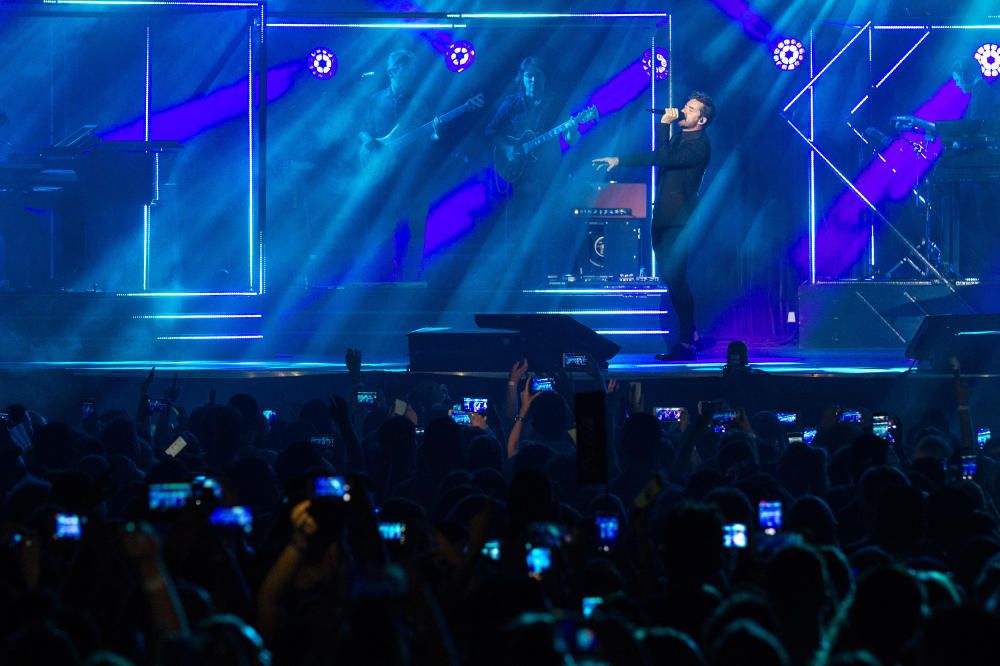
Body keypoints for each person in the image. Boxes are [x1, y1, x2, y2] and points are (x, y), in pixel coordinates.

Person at [593, 92, 715, 360]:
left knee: (677, 280)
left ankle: (685, 343)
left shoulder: (699, 146)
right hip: (663, 217)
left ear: (701, 119)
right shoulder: (681, 139)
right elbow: (658, 155)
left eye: (690, 108)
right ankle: (691, 334)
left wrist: (663, 125)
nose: (683, 109)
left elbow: (663, 158)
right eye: (685, 105)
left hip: (678, 221)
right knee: (671, 280)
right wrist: (619, 160)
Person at [485, 57, 579, 284]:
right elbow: (490, 132)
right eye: (529, 76)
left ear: (545, 79)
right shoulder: (512, 103)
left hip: (547, 172)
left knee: (547, 223)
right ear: (523, 79)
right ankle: (514, 278)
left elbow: (570, 139)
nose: (533, 81)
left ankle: (546, 276)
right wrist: (508, 149)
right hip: (518, 174)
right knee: (517, 223)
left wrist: (572, 130)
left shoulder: (557, 104)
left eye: (537, 76)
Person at [357, 49, 441, 282]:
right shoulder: (375, 100)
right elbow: (364, 130)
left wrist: (434, 135)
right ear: (393, 71)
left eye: (413, 70)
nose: (412, 73)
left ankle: (411, 275)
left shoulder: (420, 102)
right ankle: (384, 276)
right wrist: (369, 144)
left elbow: (431, 136)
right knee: (385, 225)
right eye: (407, 69)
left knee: (414, 225)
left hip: (411, 173)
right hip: (383, 174)